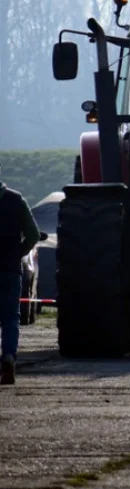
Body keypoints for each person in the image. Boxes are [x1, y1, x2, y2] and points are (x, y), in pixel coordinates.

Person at [0, 164, 41, 385]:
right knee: (10, 317)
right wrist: (19, 252)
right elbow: (33, 234)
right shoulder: (16, 200)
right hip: (9, 269)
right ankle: (8, 358)